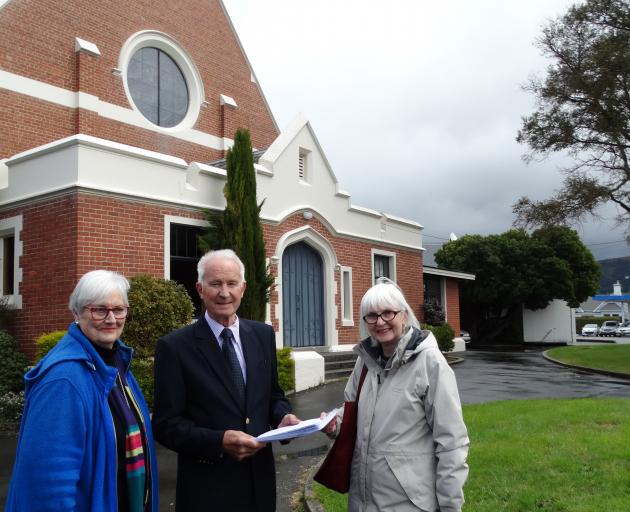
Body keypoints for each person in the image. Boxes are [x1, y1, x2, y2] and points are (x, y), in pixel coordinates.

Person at [152, 249, 299, 512]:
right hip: (207, 493)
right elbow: (166, 426)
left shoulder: (263, 335)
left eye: (231, 283)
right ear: (199, 288)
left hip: (260, 488)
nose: (224, 292)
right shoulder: (174, 347)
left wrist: (283, 417)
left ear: (242, 288)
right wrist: (218, 441)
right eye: (215, 283)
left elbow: (273, 396)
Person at [6, 270, 158, 511]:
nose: (111, 319)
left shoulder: (115, 364)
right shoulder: (63, 379)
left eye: (118, 310)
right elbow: (49, 485)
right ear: (76, 313)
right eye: (99, 310)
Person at [323, 278, 469, 512]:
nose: (380, 322)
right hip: (363, 503)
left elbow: (452, 442)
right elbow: (353, 411)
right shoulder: (365, 361)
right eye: (372, 315)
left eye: (388, 313)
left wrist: (451, 507)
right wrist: (335, 423)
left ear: (404, 315)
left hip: (409, 504)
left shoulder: (430, 363)